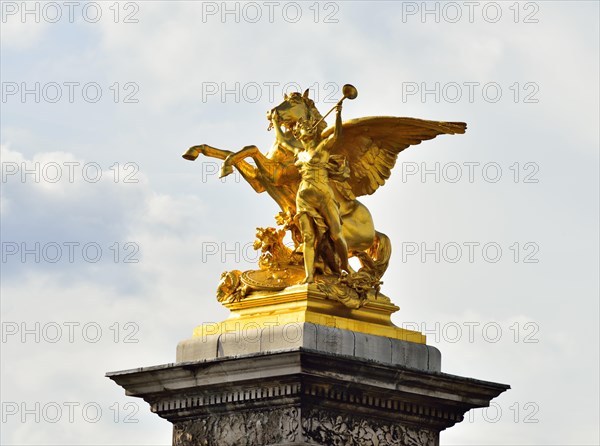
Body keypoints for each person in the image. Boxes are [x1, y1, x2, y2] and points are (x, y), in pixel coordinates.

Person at [271, 104, 350, 283]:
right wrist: (276, 121)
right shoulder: (298, 153)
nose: (304, 127)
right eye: (301, 127)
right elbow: (282, 140)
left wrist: (338, 114)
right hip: (304, 197)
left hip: (324, 195)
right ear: (298, 135)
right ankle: (309, 276)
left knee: (336, 234)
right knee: (308, 237)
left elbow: (337, 135)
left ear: (313, 131)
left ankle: (344, 267)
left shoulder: (323, 148)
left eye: (308, 126)